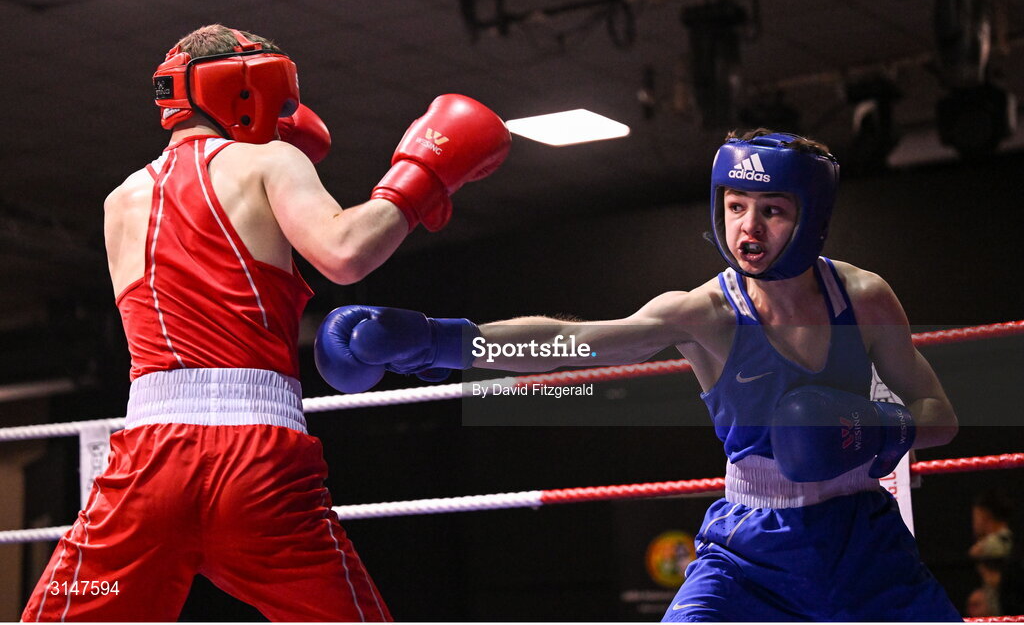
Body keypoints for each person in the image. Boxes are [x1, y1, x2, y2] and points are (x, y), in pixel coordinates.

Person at [314, 129, 963, 621]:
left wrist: (873, 430)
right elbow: (580, 343)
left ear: (811, 214)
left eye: (771, 209)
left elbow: (939, 413)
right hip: (751, 548)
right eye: (736, 206)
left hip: (862, 539)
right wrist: (447, 341)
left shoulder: (865, 296)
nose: (749, 228)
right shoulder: (704, 313)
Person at [21, 24, 510, 622]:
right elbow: (347, 252)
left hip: (147, 466)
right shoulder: (269, 160)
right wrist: (422, 176)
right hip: (257, 464)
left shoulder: (120, 199)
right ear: (245, 87)